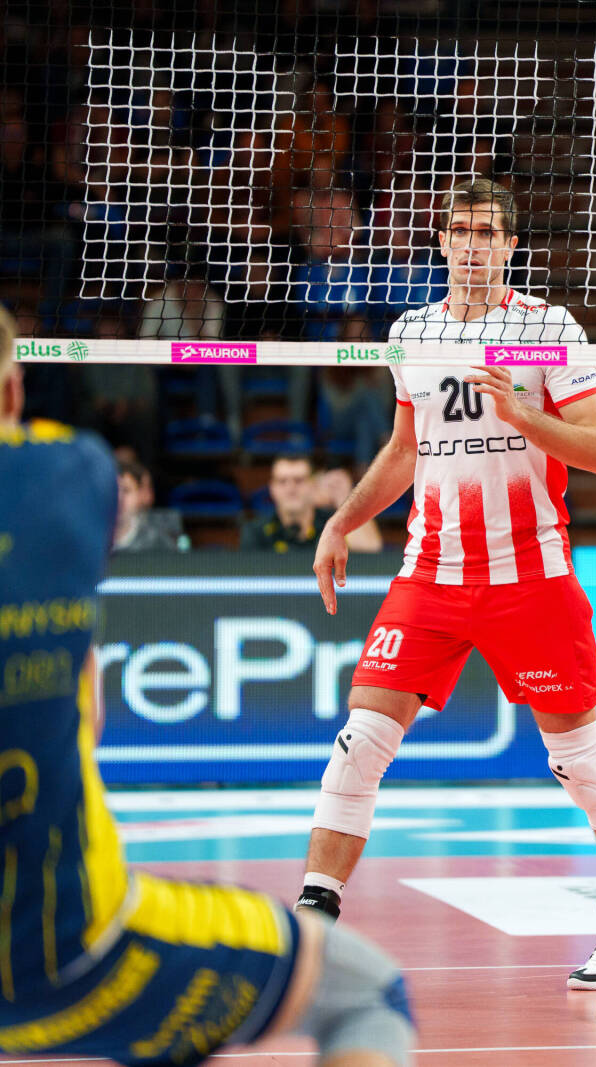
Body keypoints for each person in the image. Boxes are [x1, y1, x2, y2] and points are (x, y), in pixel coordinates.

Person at [0, 306, 415, 1066]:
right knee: (368, 994)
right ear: (12, 393)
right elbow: (89, 714)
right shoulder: (72, 472)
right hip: (75, 948)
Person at [295, 178, 596, 994]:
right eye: (461, 231)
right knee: (360, 742)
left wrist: (524, 417)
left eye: (488, 232)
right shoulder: (411, 332)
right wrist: (342, 520)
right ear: (444, 242)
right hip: (431, 575)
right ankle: (313, 922)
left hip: (531, 575)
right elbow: (404, 450)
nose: (473, 245)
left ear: (510, 245)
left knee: (579, 760)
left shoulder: (548, 328)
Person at [241, 454, 335, 552]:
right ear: (272, 488)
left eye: (298, 480)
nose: (290, 489)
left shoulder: (334, 526)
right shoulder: (255, 532)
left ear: (312, 485)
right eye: (282, 481)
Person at [114, 456, 188, 552]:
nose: (119, 498)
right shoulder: (94, 539)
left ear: (141, 494)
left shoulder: (159, 541)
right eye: (112, 490)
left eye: (126, 490)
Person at [315, 463, 383, 553]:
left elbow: (370, 548)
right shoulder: (310, 510)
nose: (292, 489)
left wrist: (345, 500)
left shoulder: (344, 511)